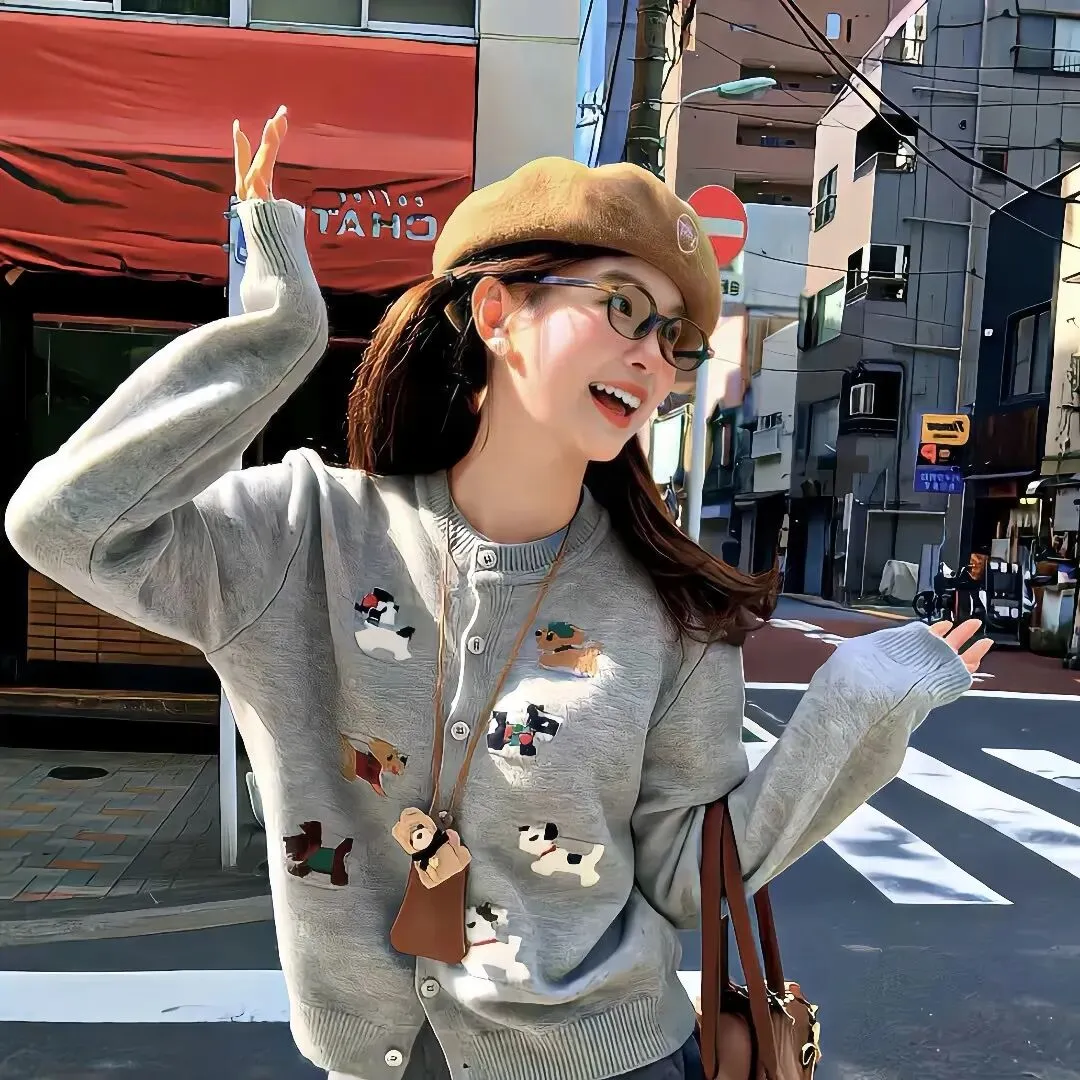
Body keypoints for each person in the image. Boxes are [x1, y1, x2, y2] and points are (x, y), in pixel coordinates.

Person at [4, 108, 991, 1080]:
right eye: (622, 306)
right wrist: (278, 333)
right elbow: (64, 525)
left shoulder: (671, 609)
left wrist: (855, 711)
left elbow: (687, 879)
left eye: (676, 339)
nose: (653, 356)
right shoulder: (304, 537)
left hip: (611, 1062)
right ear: (496, 313)